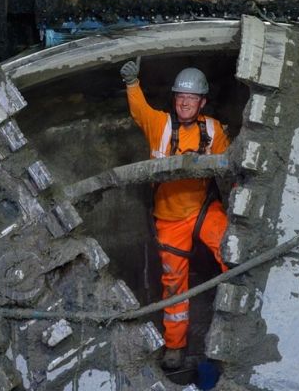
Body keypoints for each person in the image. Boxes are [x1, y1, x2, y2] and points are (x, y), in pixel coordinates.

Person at [119, 59, 231, 369]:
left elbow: (229, 167)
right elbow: (139, 110)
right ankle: (175, 346)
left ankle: (238, 325)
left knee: (232, 254)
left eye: (191, 98)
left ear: (202, 102)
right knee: (173, 283)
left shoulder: (213, 130)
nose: (185, 102)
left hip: (203, 209)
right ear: (174, 98)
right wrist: (132, 83)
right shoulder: (161, 125)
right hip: (169, 217)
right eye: (180, 96)